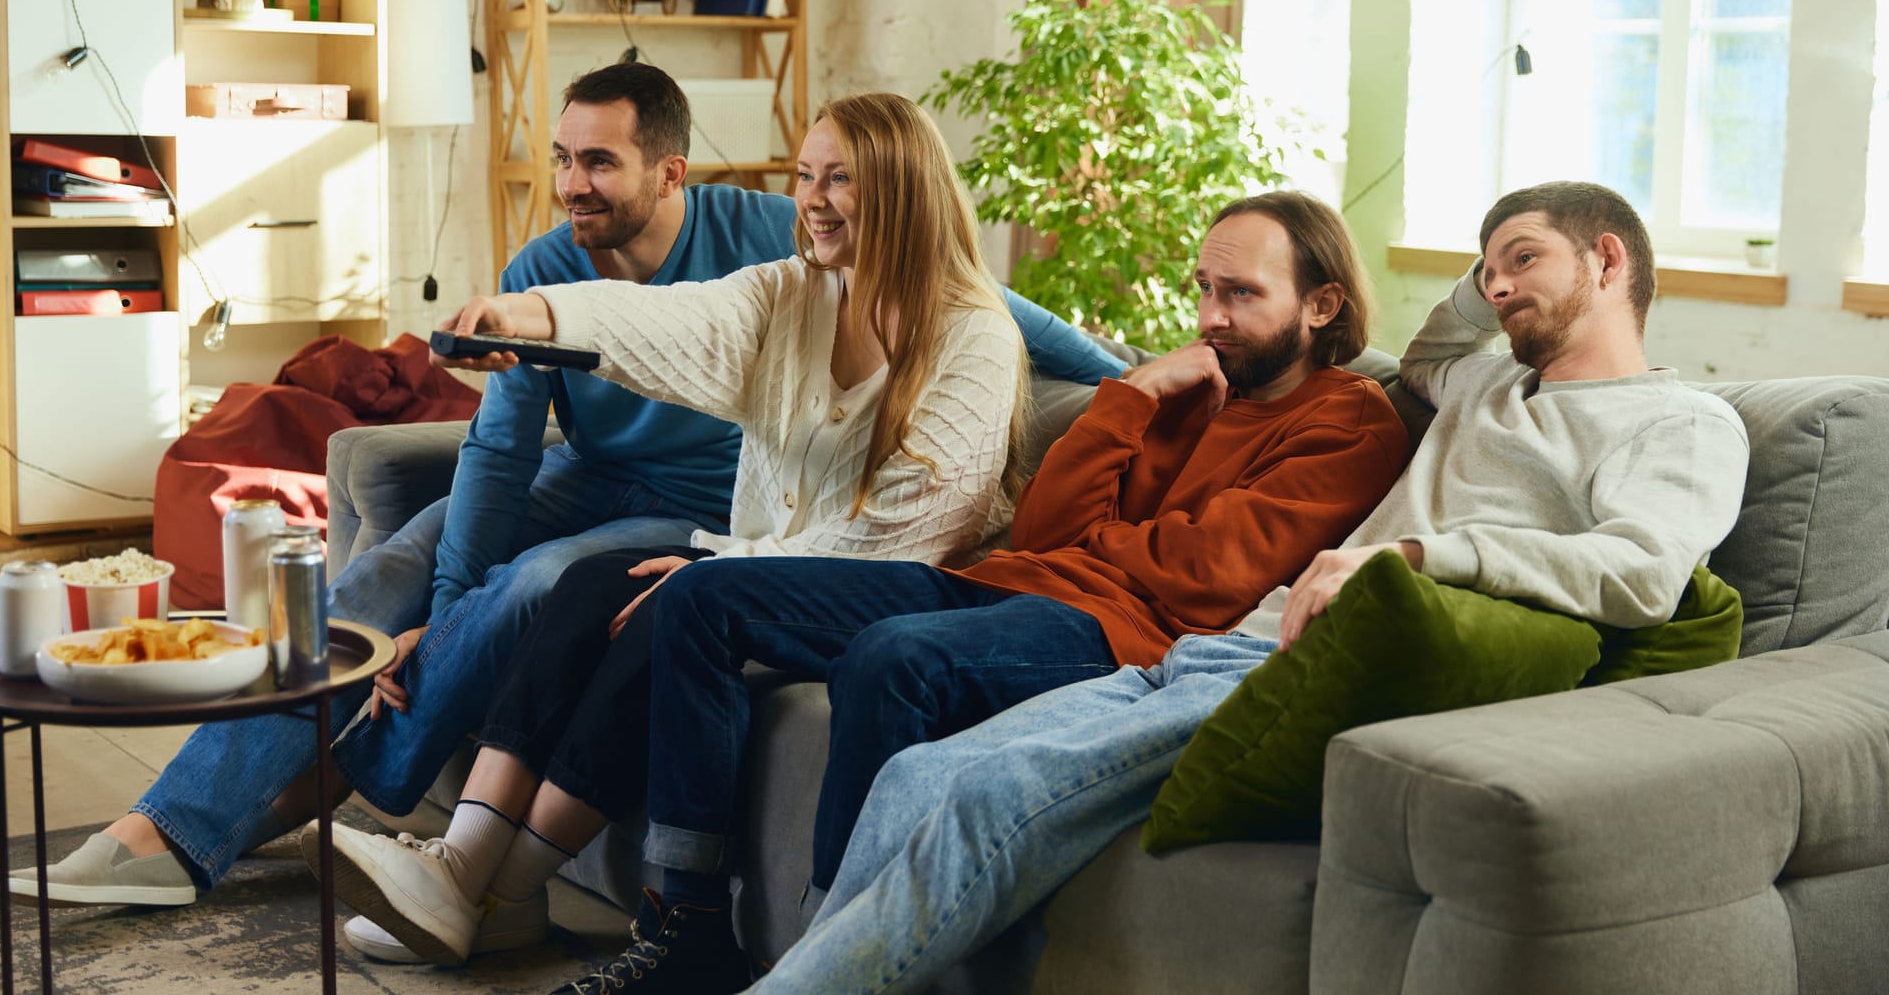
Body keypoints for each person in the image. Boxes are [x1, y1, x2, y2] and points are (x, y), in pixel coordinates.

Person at [9, 68, 1125, 911]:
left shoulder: (765, 242)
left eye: (600, 163)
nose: (573, 186)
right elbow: (502, 448)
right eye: (562, 159)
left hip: (691, 505)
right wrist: (428, 610)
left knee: (544, 582)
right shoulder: (561, 261)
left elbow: (969, 298)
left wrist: (1132, 371)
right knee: (390, 570)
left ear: (669, 171)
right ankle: (180, 822)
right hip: (583, 477)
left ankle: (386, 793)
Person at [744, 181, 1753, 995]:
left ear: (1611, 258)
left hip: (1306, 666)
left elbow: (1644, 572)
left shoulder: (1683, 425)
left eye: (1524, 260)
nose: (1494, 289)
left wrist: (1420, 557)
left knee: (990, 797)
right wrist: (1502, 259)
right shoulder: (1484, 383)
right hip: (1222, 647)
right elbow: (1434, 346)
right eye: (1485, 270)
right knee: (922, 779)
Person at [536, 190, 1414, 995]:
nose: (1211, 317)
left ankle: (828, 950)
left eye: (1242, 295)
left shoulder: (1351, 419)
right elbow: (1041, 529)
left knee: (896, 658)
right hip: (1005, 584)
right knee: (705, 598)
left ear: (1322, 305)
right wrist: (1136, 389)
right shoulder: (1183, 393)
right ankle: (684, 926)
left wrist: (1105, 542)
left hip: (1118, 634)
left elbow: (1210, 574)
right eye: (1204, 288)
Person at [310, 90, 1053, 969]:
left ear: (900, 187)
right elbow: (670, 321)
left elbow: (905, 539)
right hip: (771, 575)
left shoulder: (974, 334)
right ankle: (467, 866)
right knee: (595, 581)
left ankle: (495, 888)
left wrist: (722, 563)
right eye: (805, 176)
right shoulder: (792, 295)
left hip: (898, 591)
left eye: (839, 179)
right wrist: (527, 320)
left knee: (674, 599)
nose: (811, 199)